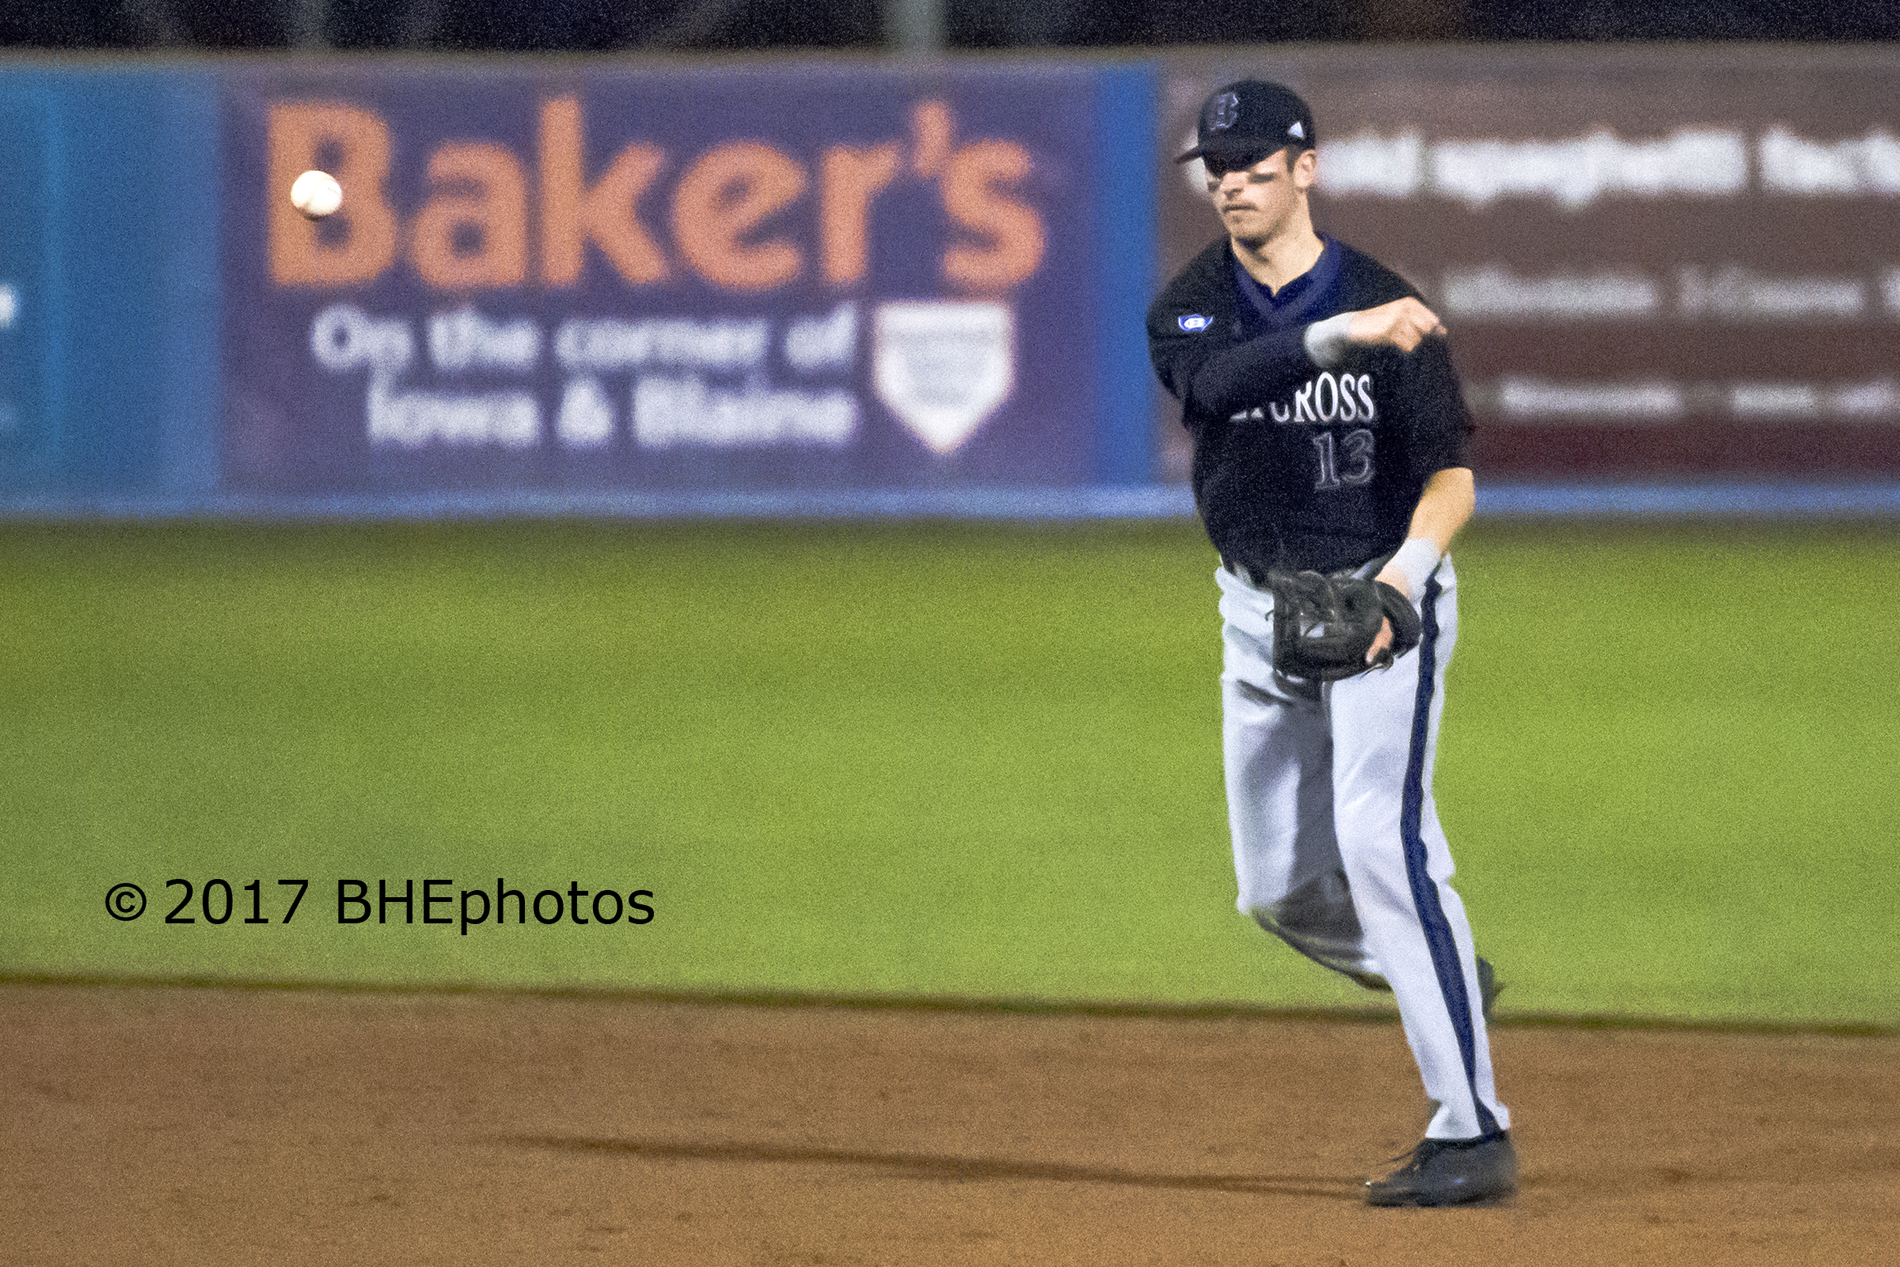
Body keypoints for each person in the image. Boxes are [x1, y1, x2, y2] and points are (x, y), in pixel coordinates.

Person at [1145, 79, 1515, 1207]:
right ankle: (1442, 970)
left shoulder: (1393, 305)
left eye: (1254, 165)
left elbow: (1451, 476)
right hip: (1253, 611)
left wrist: (1404, 581)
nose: (1231, 184)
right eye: (1217, 168)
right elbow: (1215, 384)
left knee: (1378, 841)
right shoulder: (1193, 304)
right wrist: (1334, 337)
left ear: (1305, 169)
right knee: (1274, 888)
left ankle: (1471, 1130)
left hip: (1375, 602)